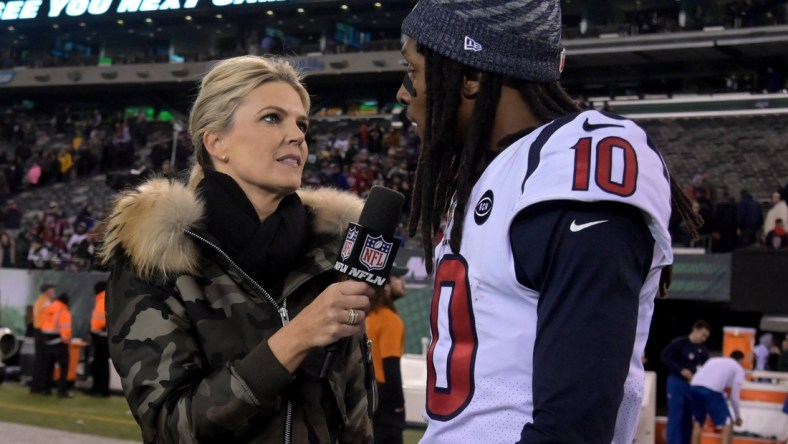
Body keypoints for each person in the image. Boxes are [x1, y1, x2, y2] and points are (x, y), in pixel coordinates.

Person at [395, 1, 701, 442]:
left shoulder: (569, 174)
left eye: (413, 68)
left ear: (472, 77)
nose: (403, 91)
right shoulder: (493, 175)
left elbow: (573, 426)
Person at [98, 55, 376, 443]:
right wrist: (294, 339)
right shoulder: (159, 257)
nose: (297, 135)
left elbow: (355, 422)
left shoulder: (331, 257)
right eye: (271, 118)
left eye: (302, 123)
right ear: (216, 142)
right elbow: (170, 427)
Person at [366, 263, 409, 444]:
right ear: (385, 285)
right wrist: (399, 405)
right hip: (385, 397)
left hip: (366, 392)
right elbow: (390, 367)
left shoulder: (367, 316)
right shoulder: (390, 319)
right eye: (398, 278)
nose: (403, 282)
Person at [660, 320, 711, 444]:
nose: (703, 339)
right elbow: (664, 357)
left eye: (706, 337)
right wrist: (680, 370)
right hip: (676, 382)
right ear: (695, 330)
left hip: (692, 385)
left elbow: (707, 368)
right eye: (702, 335)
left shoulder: (703, 351)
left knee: (688, 416)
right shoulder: (680, 343)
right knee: (675, 414)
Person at [690, 350, 746, 444]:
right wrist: (737, 416)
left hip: (694, 387)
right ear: (741, 361)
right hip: (711, 390)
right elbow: (734, 396)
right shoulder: (738, 368)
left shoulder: (713, 360)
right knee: (728, 423)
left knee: (698, 421)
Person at [40, 292, 73, 398]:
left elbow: (43, 324)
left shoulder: (49, 308)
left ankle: (46, 389)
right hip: (60, 343)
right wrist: (67, 340)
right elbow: (66, 329)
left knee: (48, 367)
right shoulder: (63, 311)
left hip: (48, 342)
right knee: (63, 368)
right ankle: (62, 391)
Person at [30, 283, 55, 394]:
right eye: (51, 289)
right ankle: (40, 386)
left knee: (39, 359)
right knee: (44, 360)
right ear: (46, 291)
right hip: (43, 332)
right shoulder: (47, 302)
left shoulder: (38, 301)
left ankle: (35, 385)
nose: (53, 291)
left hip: (37, 331)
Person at [89, 281, 109, 397]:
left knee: (100, 365)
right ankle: (100, 389)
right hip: (104, 338)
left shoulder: (102, 301)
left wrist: (92, 332)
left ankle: (100, 389)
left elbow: (99, 322)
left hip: (100, 338)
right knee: (101, 364)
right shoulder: (108, 299)